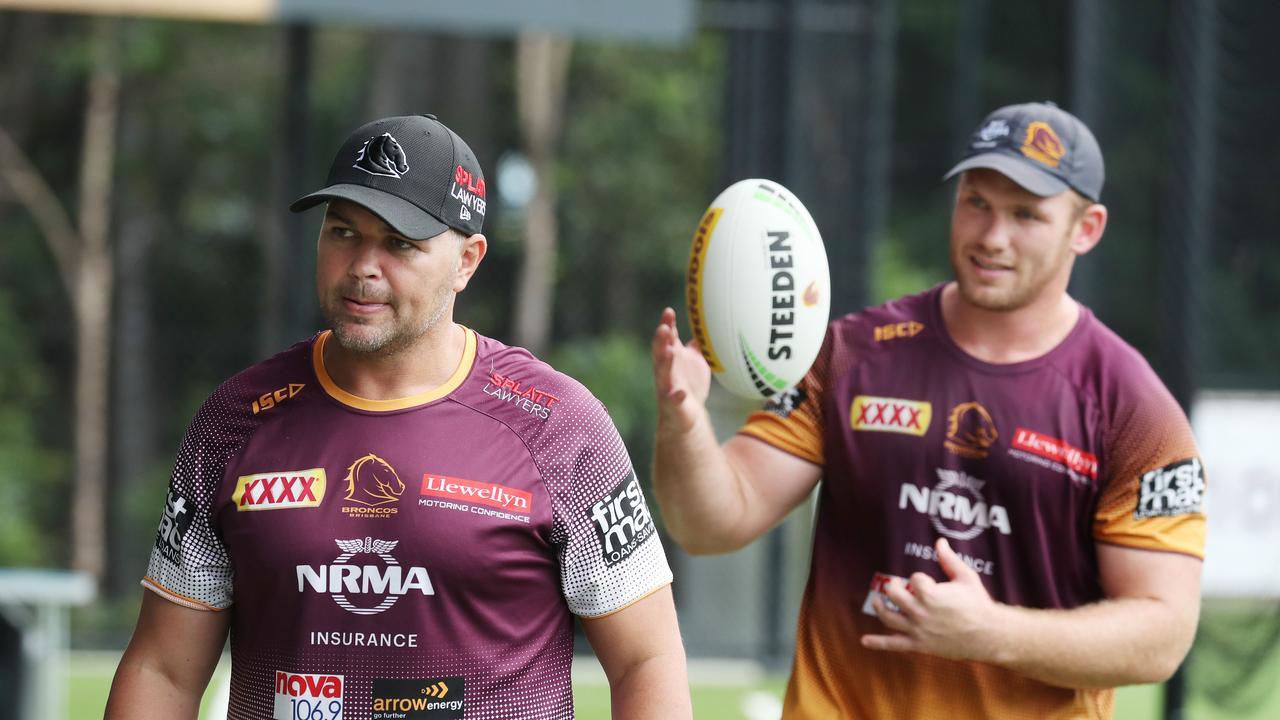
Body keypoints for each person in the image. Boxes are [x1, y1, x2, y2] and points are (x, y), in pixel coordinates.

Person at [107, 114, 691, 720]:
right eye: (342, 233)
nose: (363, 265)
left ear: (468, 260)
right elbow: (163, 670)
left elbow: (646, 660)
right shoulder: (235, 421)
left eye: (400, 243)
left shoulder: (557, 426)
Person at [651, 101, 1206, 718]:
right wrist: (686, 422)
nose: (992, 237)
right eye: (977, 203)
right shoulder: (851, 356)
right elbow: (709, 523)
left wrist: (992, 633)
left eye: (1026, 215)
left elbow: (1163, 634)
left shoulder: (1133, 408)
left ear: (1087, 228)